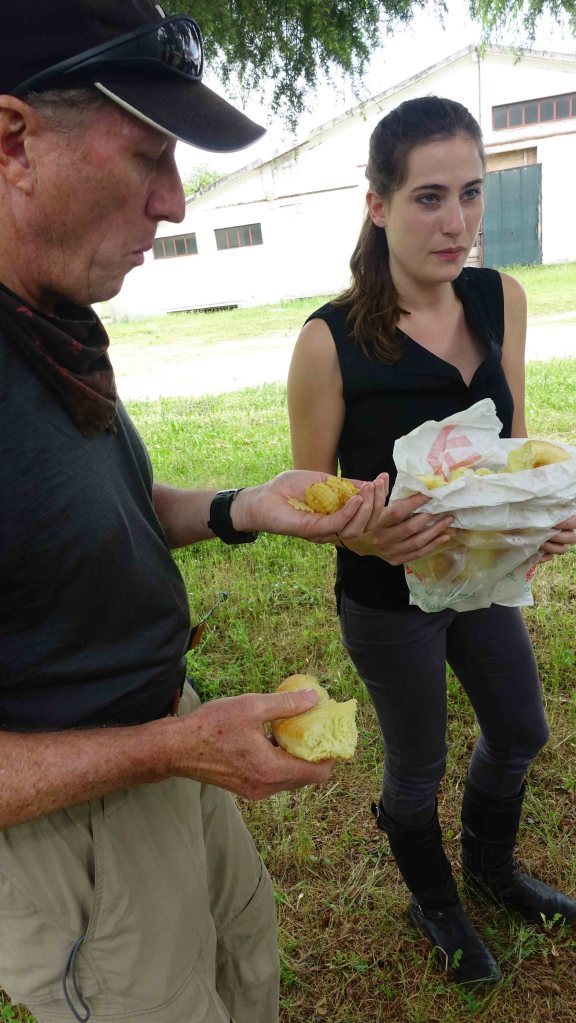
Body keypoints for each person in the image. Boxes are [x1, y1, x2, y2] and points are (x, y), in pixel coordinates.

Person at [0, 4, 387, 1022]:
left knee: (243, 981)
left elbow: (92, 511)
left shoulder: (50, 320)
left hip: (169, 753)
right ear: (13, 143)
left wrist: (241, 505)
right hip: (73, 822)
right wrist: (168, 750)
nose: (174, 204)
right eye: (148, 156)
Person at [287, 95, 576, 986]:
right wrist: (372, 542)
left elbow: (512, 444)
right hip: (388, 596)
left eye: (473, 194)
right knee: (417, 762)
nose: (458, 223)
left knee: (520, 727)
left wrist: (539, 513)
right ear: (377, 203)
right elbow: (306, 498)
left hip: (483, 578)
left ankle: (490, 869)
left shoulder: (499, 297)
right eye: (428, 198)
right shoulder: (329, 340)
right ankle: (436, 902)